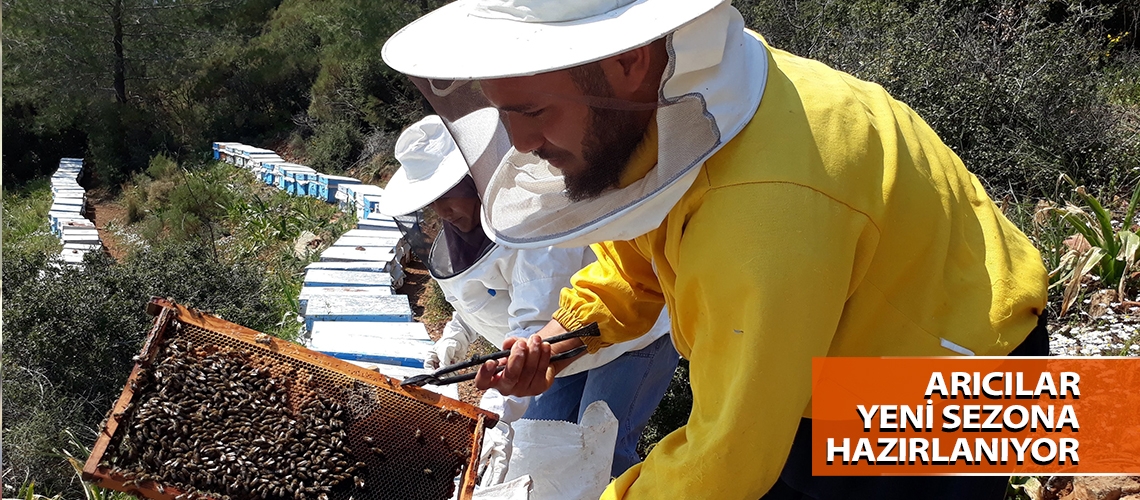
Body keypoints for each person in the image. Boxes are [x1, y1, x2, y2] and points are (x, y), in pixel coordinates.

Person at [381, 1, 1051, 499]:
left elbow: (728, 458)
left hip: (954, 378)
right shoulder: (680, 99)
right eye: (504, 114)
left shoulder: (761, 211)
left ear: (626, 60)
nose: (521, 143)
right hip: (842, 341)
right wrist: (559, 339)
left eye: (531, 112)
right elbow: (638, 264)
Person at [376, 115, 680, 478]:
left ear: (475, 180)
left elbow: (534, 324)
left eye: (447, 195)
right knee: (539, 450)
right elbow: (477, 300)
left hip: (626, 336)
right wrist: (451, 343)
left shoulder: (533, 225)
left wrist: (491, 415)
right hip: (560, 352)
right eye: (431, 202)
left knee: (602, 454)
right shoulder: (461, 237)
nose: (442, 211)